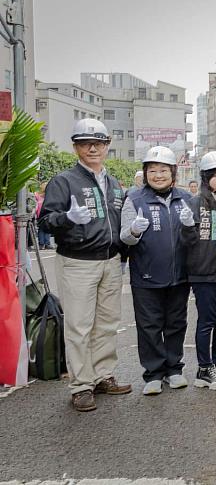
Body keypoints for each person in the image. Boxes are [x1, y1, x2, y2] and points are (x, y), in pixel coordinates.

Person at [39, 119, 131, 412]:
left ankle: (103, 375)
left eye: (98, 143)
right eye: (85, 143)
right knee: (79, 326)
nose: (92, 148)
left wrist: (124, 252)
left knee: (107, 323)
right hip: (78, 262)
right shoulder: (63, 181)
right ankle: (81, 385)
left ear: (107, 146)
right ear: (76, 147)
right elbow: (45, 221)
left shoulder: (114, 182)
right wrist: (67, 219)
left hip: (110, 261)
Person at [121, 146, 192, 395]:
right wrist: (134, 230)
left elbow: (194, 238)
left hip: (180, 275)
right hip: (145, 276)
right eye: (153, 170)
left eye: (164, 170)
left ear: (173, 172)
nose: (158, 175)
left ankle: (174, 369)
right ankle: (153, 373)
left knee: (176, 323)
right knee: (149, 325)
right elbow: (125, 238)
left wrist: (189, 226)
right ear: (145, 173)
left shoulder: (186, 199)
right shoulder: (135, 198)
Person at [181, 151, 216, 391]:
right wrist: (185, 228)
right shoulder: (196, 203)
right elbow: (187, 242)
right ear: (206, 178)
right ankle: (204, 368)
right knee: (207, 320)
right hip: (205, 272)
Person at [34, 182, 51, 249]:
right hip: (45, 213)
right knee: (46, 229)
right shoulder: (47, 195)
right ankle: (45, 244)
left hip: (42, 214)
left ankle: (43, 244)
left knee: (42, 229)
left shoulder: (38, 195)